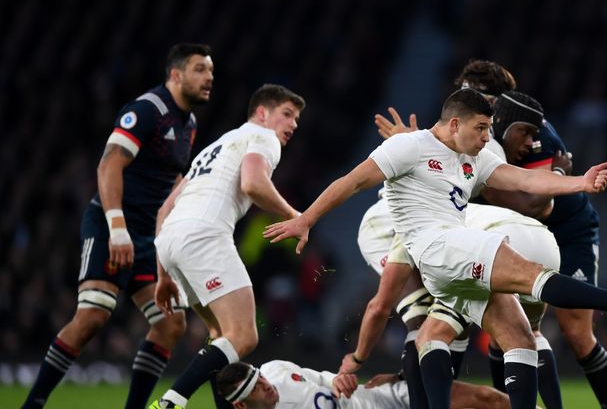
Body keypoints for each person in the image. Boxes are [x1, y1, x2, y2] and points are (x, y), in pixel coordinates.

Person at [264, 88, 607, 409]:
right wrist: (306, 218)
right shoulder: (409, 147)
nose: (487, 137)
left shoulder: (473, 157)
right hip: (437, 247)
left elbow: (525, 181)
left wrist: (579, 183)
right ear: (454, 122)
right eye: (481, 128)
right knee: (528, 273)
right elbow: (351, 182)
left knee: (517, 335)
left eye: (489, 129)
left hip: (452, 263)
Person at [374, 59, 607, 408]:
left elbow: (535, 204)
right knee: (506, 329)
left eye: (471, 94)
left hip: (567, 230)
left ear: (495, 101)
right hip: (510, 232)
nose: (462, 100)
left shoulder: (536, 135)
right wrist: (416, 145)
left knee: (574, 333)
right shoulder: (472, 129)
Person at [342, 91, 564, 409]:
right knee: (433, 321)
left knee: (456, 325)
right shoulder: (477, 147)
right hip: (395, 228)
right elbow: (526, 200)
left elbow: (527, 196)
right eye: (525, 132)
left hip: (463, 239)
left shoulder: (476, 147)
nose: (529, 143)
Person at [22, 43, 214, 409]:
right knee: (93, 315)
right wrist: (117, 227)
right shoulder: (147, 111)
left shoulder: (188, 123)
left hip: (148, 238)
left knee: (172, 325)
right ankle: (32, 404)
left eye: (211, 72)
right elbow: (109, 166)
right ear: (175, 75)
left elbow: (169, 179)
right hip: (114, 225)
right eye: (200, 70)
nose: (209, 79)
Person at [148, 84, 305, 409]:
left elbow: (164, 211)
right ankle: (170, 403)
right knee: (245, 335)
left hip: (171, 242)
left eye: (297, 120)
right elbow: (252, 182)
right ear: (262, 113)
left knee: (222, 337)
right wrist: (295, 215)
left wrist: (163, 274)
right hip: (204, 235)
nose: (292, 125)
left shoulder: (216, 146)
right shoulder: (264, 137)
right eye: (287, 114)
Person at [214, 360, 514, 409]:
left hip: (377, 395)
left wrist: (338, 378)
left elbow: (319, 376)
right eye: (253, 389)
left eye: (259, 378)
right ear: (240, 405)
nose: (264, 385)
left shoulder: (276, 369)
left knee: (485, 398)